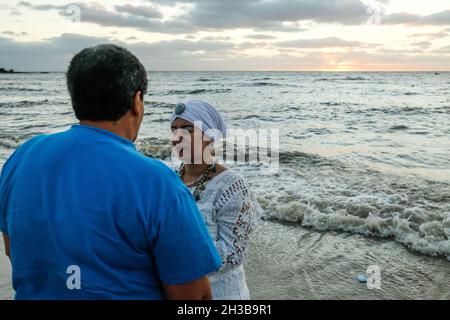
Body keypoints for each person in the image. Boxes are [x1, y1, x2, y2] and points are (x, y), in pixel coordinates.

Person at [0, 45, 222, 300]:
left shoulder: (22, 157)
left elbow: (13, 249)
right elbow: (193, 297)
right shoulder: (156, 181)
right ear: (137, 101)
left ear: (76, 99)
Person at [170, 100, 262, 300]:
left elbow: (233, 254)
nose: (177, 137)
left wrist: (173, 249)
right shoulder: (170, 179)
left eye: (187, 129)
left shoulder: (231, 185)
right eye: (174, 130)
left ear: (210, 136)